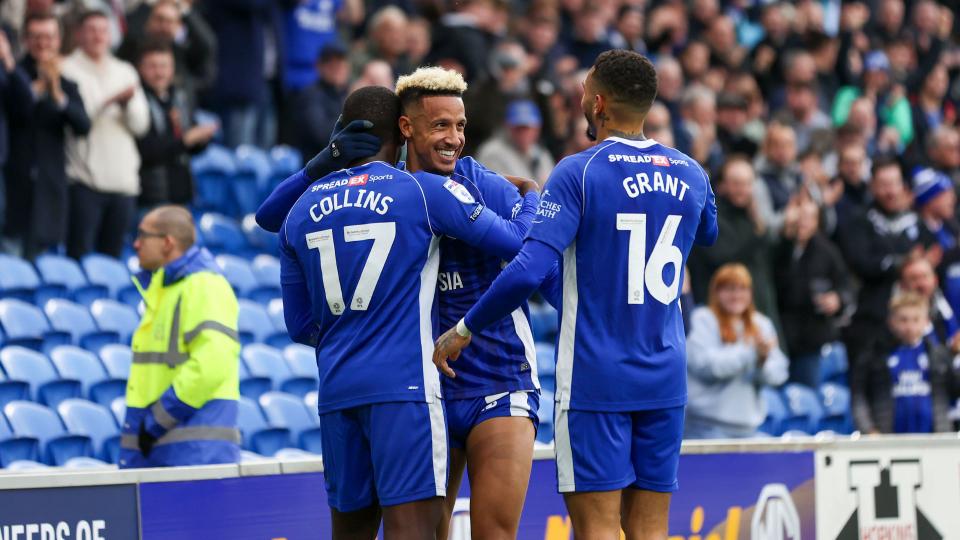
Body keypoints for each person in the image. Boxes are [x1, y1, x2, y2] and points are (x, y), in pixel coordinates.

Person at [433, 50, 718, 539]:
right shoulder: (691, 171)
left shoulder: (578, 171)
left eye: (585, 91)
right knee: (651, 528)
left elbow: (528, 270)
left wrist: (464, 329)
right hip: (666, 374)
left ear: (600, 102)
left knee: (598, 528)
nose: (581, 100)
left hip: (596, 376)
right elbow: (709, 232)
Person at [260, 66, 549, 540]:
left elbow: (295, 311)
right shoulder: (419, 190)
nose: (454, 137)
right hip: (416, 387)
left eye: (460, 125)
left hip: (478, 378)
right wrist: (533, 194)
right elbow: (520, 241)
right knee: (419, 531)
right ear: (404, 128)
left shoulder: (476, 180)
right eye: (440, 125)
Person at [121, 205, 241, 468]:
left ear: (167, 243)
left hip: (189, 453)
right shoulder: (165, 286)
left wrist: (156, 420)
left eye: (143, 235)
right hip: (166, 450)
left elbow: (212, 364)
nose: (136, 243)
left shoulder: (204, 285)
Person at [61, 9, 149, 259]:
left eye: (103, 30)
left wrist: (126, 105)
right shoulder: (66, 68)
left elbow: (141, 125)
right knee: (78, 257)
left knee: (111, 262)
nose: (98, 36)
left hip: (123, 182)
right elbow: (77, 120)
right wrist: (109, 101)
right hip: (84, 180)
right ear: (78, 34)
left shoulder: (125, 70)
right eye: (91, 30)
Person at [3, 13, 77, 259]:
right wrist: (29, 89)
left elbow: (83, 125)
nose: (43, 43)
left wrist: (57, 95)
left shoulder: (66, 80)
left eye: (49, 37)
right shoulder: (11, 73)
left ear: (58, 40)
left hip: (48, 194)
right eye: (36, 37)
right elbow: (16, 109)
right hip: (13, 190)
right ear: (25, 39)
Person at [686, 263, 788, 438]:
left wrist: (761, 363)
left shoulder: (761, 323)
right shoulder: (701, 319)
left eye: (742, 289)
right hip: (705, 427)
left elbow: (779, 373)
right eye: (729, 289)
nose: (736, 295)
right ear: (716, 292)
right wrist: (752, 354)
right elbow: (707, 366)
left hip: (749, 428)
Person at [851, 291, 958, 434]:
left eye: (916, 319)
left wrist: (955, 356)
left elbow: (955, 390)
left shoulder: (939, 356)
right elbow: (858, 395)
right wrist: (868, 429)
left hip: (934, 440)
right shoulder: (875, 355)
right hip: (889, 441)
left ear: (926, 322)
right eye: (903, 320)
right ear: (891, 321)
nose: (909, 327)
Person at [775, 197, 853, 386]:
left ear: (817, 222)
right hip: (779, 336)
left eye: (809, 217)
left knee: (806, 398)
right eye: (799, 216)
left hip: (810, 339)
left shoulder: (827, 251)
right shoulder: (778, 246)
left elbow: (846, 286)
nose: (802, 222)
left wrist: (837, 299)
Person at [136, 39, 217, 210]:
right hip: (150, 197)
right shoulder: (136, 101)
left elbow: (190, 148)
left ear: (172, 69)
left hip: (181, 193)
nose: (159, 73)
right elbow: (146, 151)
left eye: (164, 66)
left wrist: (201, 139)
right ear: (140, 69)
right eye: (152, 66)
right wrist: (186, 140)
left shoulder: (179, 98)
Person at [475, 99, 556, 186]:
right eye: (518, 128)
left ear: (537, 128)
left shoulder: (541, 153)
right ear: (508, 127)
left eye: (527, 128)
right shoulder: (493, 152)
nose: (523, 133)